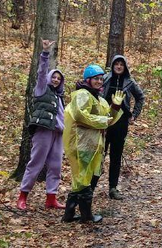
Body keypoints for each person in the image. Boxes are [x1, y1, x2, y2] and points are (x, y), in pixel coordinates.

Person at [62, 64, 122, 223]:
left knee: (82, 178)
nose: (99, 81)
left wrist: (115, 107)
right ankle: (86, 215)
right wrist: (104, 120)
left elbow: (108, 119)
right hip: (81, 143)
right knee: (83, 178)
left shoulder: (99, 98)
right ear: (88, 79)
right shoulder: (82, 94)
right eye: (96, 78)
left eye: (101, 79)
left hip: (93, 144)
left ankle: (69, 214)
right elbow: (80, 116)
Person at [17, 39, 66, 211]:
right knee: (35, 163)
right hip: (43, 131)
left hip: (58, 134)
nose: (55, 80)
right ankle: (23, 196)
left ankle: (51, 198)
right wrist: (45, 53)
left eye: (58, 78)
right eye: (53, 76)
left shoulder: (60, 98)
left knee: (55, 166)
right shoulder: (41, 89)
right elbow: (41, 72)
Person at [101, 55, 145, 200]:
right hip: (103, 121)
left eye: (121, 64)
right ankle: (91, 185)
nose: (119, 66)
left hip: (121, 122)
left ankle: (113, 188)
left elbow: (140, 97)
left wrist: (134, 115)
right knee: (100, 153)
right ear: (112, 65)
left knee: (116, 155)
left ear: (125, 67)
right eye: (116, 64)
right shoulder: (105, 78)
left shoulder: (129, 81)